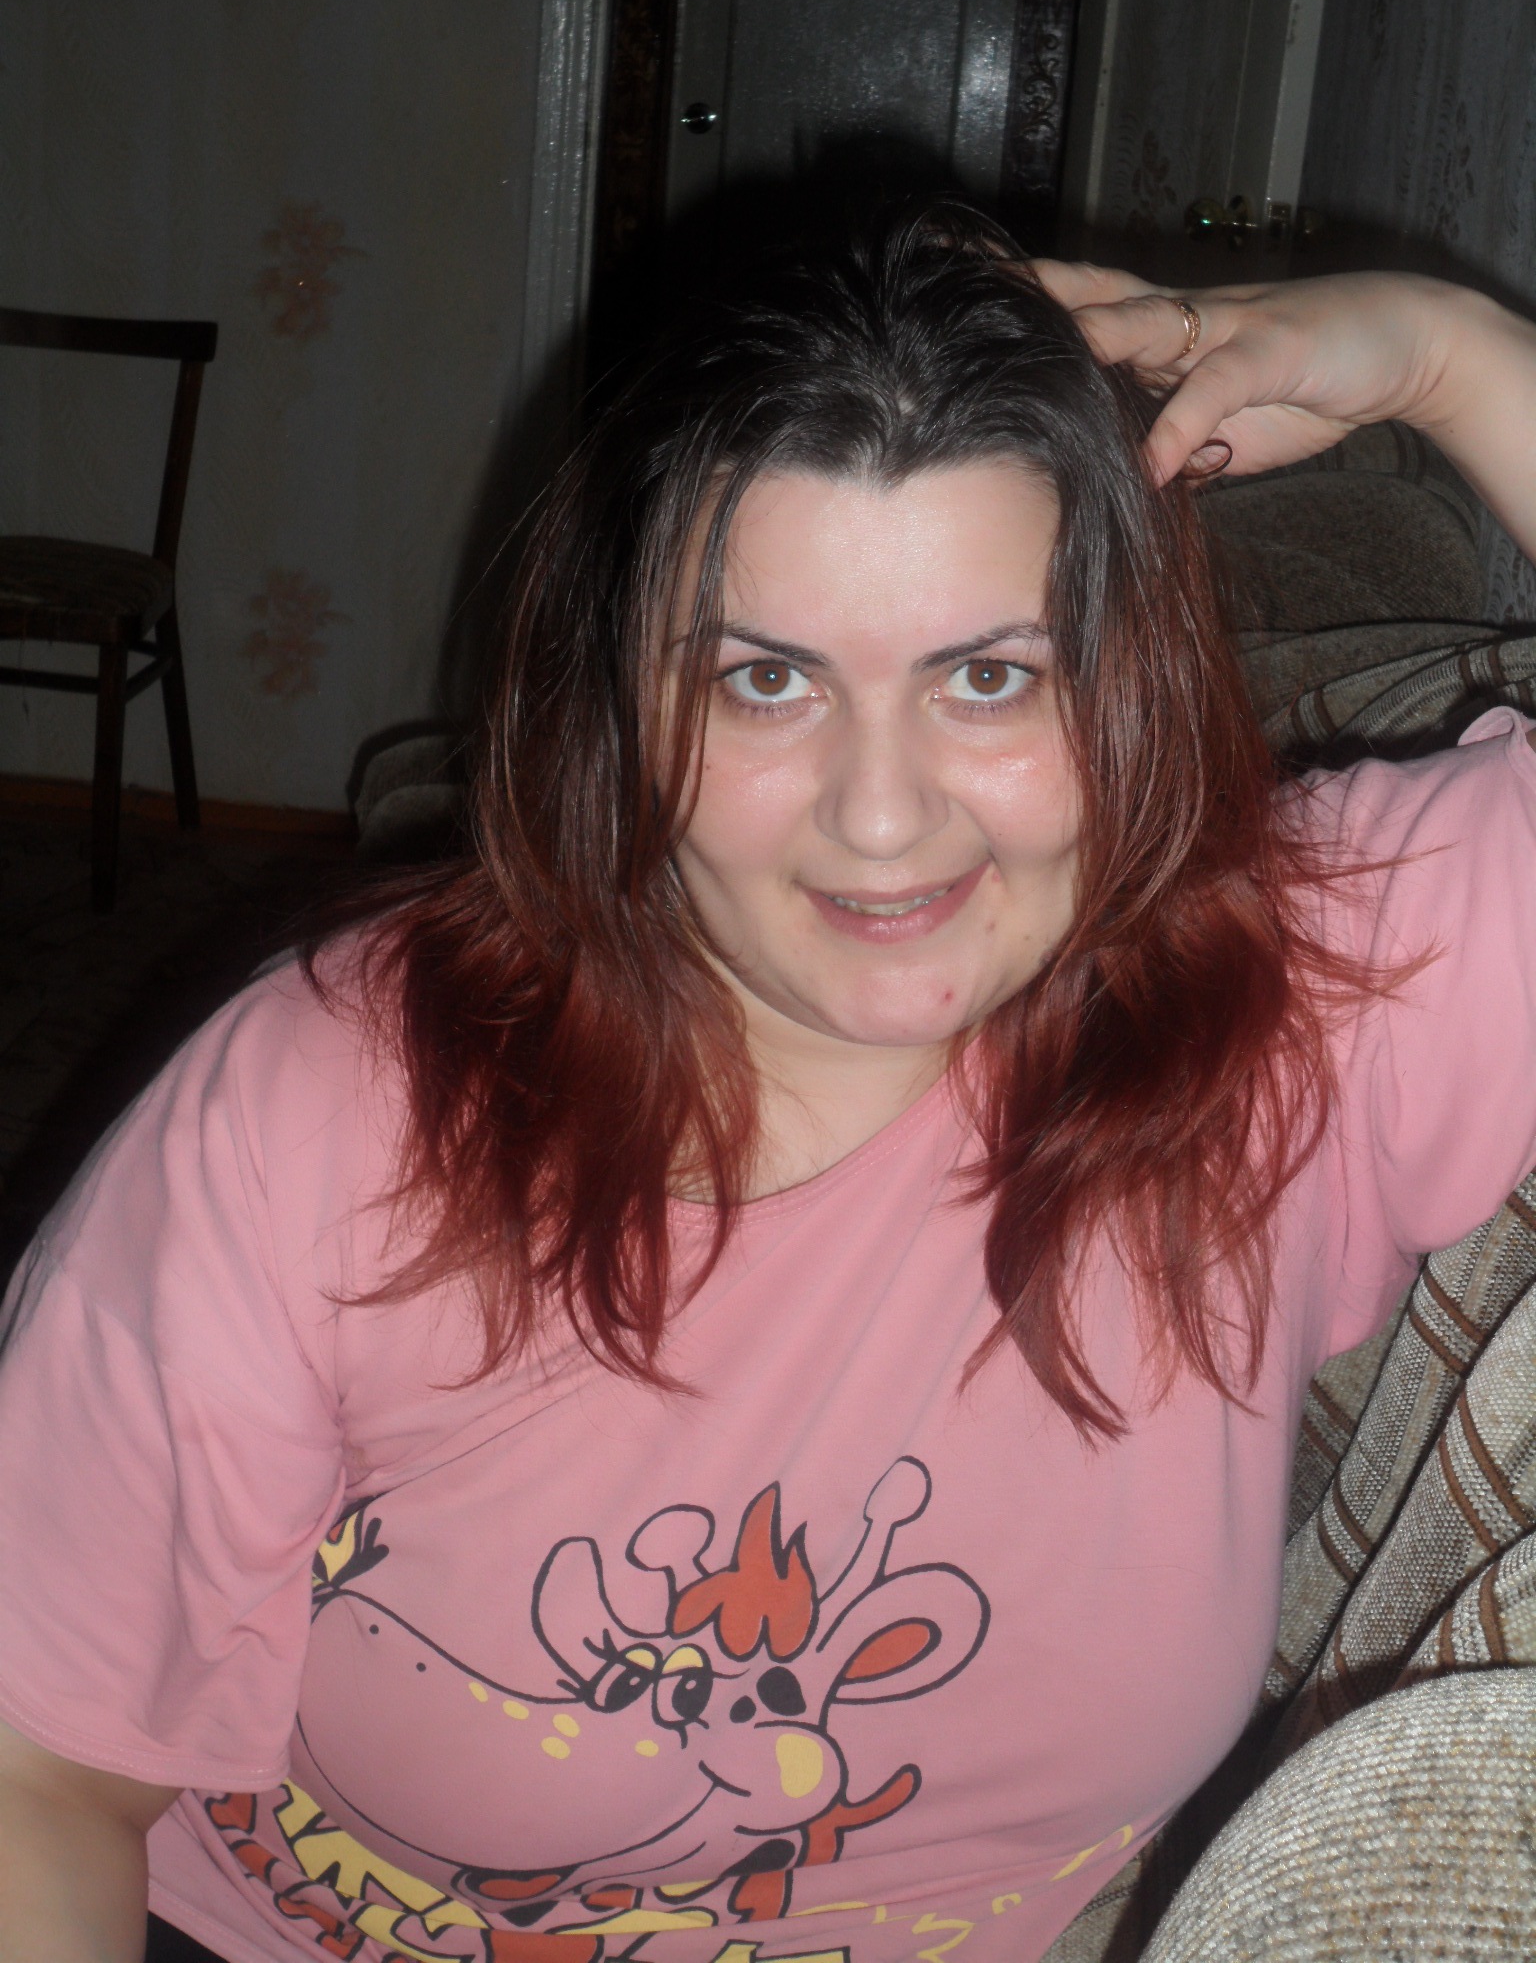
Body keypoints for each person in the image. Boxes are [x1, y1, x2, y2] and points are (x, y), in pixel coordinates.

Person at [3, 207, 1536, 1963]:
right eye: (765, 680)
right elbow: (36, 1774)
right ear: (625, 710)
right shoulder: (338, 1107)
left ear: (1127, 687)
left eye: (989, 677)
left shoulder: (1289, 1025)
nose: (881, 818)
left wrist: (1450, 356)